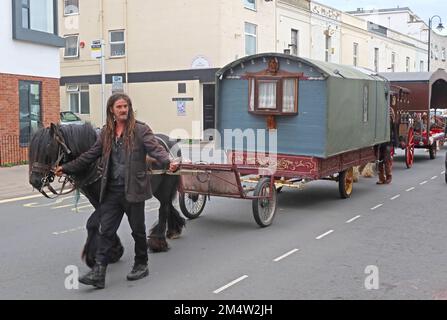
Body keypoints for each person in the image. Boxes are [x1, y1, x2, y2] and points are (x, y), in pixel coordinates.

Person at [55, 93, 178, 289]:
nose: (123, 110)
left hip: (134, 190)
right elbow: (90, 155)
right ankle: (99, 272)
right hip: (112, 191)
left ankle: (141, 264)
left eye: (125, 106)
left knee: (137, 231)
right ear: (111, 110)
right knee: (106, 231)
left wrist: (169, 162)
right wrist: (67, 167)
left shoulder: (140, 130)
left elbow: (156, 149)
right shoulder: (106, 133)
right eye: (119, 107)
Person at [376, 107, 396, 185]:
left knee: (387, 160)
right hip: (380, 141)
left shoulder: (390, 110)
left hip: (388, 141)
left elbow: (393, 128)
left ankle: (389, 176)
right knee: (379, 160)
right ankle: (381, 178)